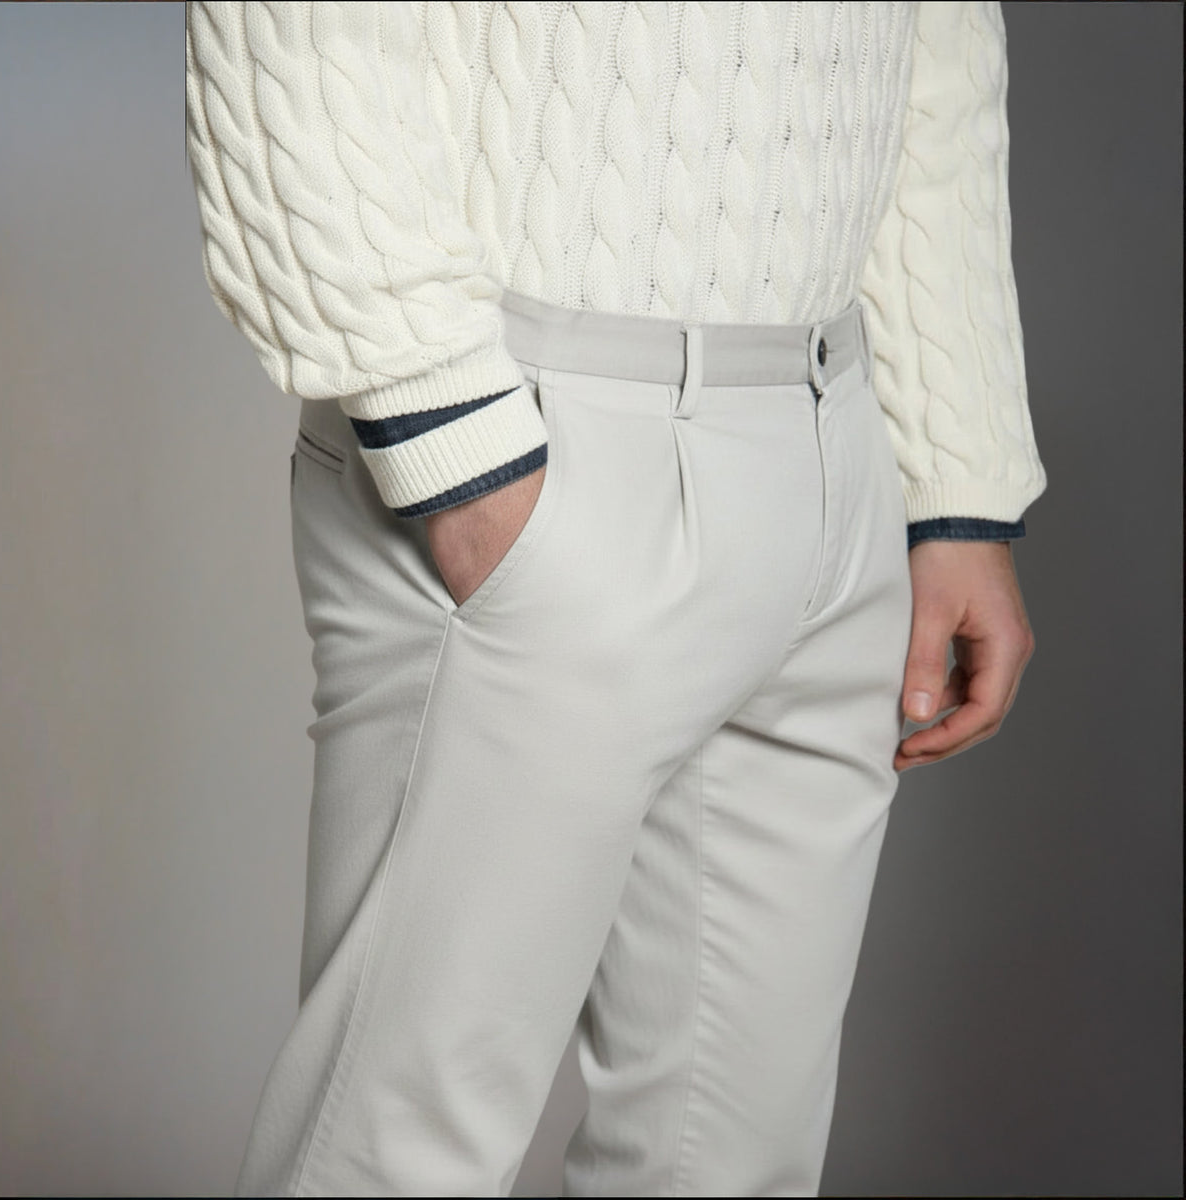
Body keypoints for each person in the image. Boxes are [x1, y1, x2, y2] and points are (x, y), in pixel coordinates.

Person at [186, 2, 1046, 1194]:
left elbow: (936, 47)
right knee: (396, 1154)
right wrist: (450, 444)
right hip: (530, 429)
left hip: (835, 431)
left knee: (732, 1162)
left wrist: (957, 481)